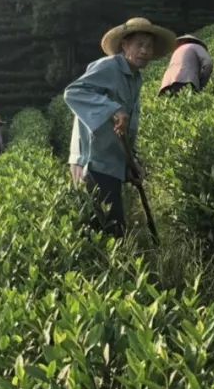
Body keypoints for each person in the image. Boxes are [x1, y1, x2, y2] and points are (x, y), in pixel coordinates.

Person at [64, 16, 175, 238]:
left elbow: (126, 127)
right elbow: (73, 92)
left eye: (149, 46)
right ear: (124, 45)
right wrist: (112, 108)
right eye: (139, 45)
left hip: (110, 161)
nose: (145, 51)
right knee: (108, 231)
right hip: (93, 161)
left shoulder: (135, 78)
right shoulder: (108, 67)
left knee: (108, 230)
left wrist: (131, 163)